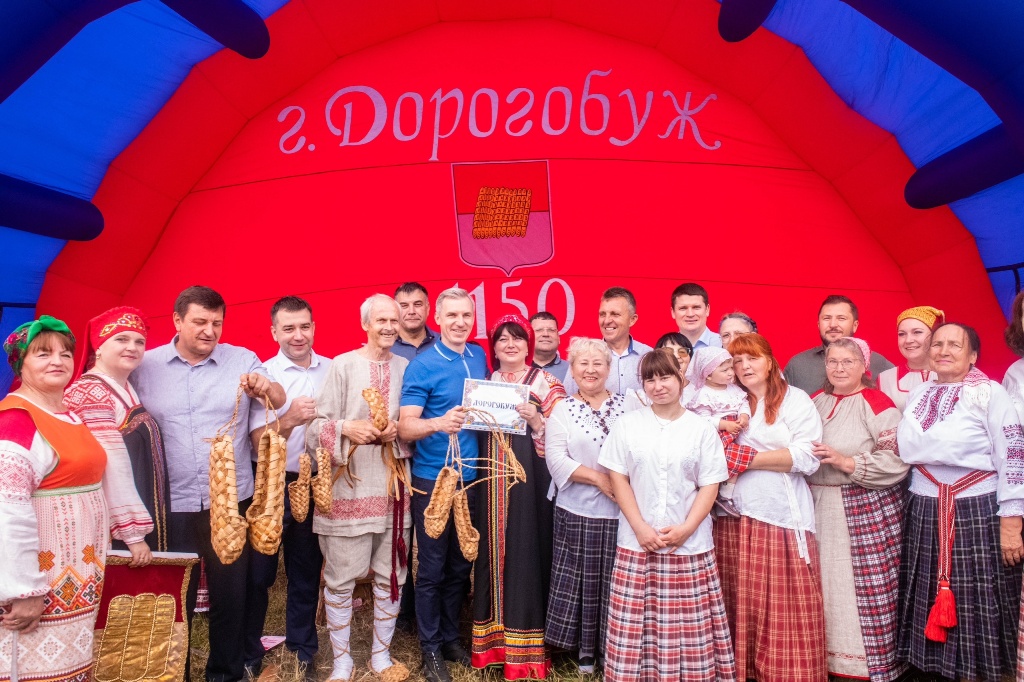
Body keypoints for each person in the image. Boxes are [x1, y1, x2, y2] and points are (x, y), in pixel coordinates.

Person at [132, 286, 285, 682]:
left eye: (217, 323)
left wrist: (265, 386)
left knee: (231, 595)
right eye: (200, 322)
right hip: (170, 502)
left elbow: (279, 397)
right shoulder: (145, 366)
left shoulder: (243, 360)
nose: (209, 331)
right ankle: (174, 674)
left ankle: (225, 674)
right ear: (177, 320)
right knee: (172, 600)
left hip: (230, 500)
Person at [0, 316, 150, 682]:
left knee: (70, 668)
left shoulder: (67, 414)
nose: (58, 361)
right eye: (43, 354)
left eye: (66, 354)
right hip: (41, 582)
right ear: (21, 363)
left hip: (77, 578)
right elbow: (8, 512)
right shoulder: (16, 421)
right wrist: (24, 590)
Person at [896, 322, 1024, 682]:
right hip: (924, 505)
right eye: (937, 344)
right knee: (926, 586)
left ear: (973, 355)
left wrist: (1011, 520)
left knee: (975, 593)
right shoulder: (920, 393)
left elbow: (1013, 454)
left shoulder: (990, 393)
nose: (943, 351)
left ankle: (977, 669)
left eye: (955, 345)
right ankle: (932, 667)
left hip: (975, 507)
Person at [598, 350, 734, 682]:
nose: (658, 386)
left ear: (681, 379)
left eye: (665, 377)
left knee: (689, 627)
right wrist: (640, 527)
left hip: (688, 544)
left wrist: (687, 528)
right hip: (638, 542)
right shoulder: (628, 425)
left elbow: (710, 484)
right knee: (635, 625)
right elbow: (618, 479)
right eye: (650, 379)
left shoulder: (701, 429)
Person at [307, 294, 412, 682]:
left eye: (394, 321)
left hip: (393, 489)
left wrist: (398, 430)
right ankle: (342, 661)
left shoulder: (406, 367)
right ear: (365, 324)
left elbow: (416, 422)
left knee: (391, 575)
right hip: (348, 490)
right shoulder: (343, 365)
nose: (389, 327)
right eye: (381, 320)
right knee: (340, 578)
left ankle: (380, 655)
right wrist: (346, 428)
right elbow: (314, 428)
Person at [713, 333, 827, 682]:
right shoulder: (727, 402)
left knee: (780, 603)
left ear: (769, 361)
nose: (745, 366)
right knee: (738, 598)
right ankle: (739, 671)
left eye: (753, 358)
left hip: (779, 514)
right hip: (730, 515)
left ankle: (784, 673)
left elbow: (807, 457)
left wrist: (744, 458)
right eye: (737, 361)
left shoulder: (794, 399)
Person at [398, 287, 489, 682]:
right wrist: (438, 422)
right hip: (433, 478)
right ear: (438, 318)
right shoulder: (422, 365)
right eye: (452, 315)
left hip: (471, 477)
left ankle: (451, 639)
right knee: (432, 566)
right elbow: (405, 426)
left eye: (466, 315)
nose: (459, 322)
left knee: (460, 564)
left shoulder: (478, 356)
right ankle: (430, 648)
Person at [471, 314, 566, 680]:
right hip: (491, 484)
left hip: (531, 485)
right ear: (493, 348)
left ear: (529, 344)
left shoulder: (547, 383)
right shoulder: (486, 383)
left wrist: (538, 421)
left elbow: (566, 438)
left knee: (527, 552)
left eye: (517, 338)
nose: (510, 345)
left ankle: (528, 650)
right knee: (491, 554)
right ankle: (492, 646)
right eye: (502, 339)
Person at [809, 337, 909, 681]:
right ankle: (827, 660)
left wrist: (846, 461)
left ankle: (865, 664)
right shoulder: (815, 401)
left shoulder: (878, 403)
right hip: (818, 504)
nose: (839, 368)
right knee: (824, 586)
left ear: (864, 366)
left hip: (862, 506)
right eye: (832, 362)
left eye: (847, 362)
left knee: (859, 589)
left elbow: (897, 459)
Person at [243, 297, 328, 680]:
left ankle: (302, 651)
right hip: (272, 481)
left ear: (314, 327)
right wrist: (290, 418)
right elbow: (256, 440)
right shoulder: (265, 376)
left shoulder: (332, 369)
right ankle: (249, 652)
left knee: (305, 570)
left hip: (316, 482)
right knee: (259, 574)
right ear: (274, 331)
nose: (298, 335)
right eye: (289, 328)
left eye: (304, 326)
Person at [543, 337, 627, 674]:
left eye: (598, 363)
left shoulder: (629, 406)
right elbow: (555, 459)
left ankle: (613, 649)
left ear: (608, 368)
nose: (590, 370)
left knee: (615, 582)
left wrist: (622, 485)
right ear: (573, 369)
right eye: (583, 363)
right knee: (583, 581)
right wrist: (599, 480)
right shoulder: (562, 409)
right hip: (577, 510)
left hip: (622, 511)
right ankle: (585, 651)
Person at [64, 306, 164, 561]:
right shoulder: (91, 393)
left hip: (138, 507)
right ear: (98, 347)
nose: (132, 347)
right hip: (113, 524)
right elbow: (112, 464)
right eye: (121, 339)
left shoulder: (125, 386)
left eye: (139, 342)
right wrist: (132, 534)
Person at [784, 295, 894, 394]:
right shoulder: (798, 365)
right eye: (826, 318)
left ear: (855, 325)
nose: (833, 324)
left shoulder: (879, 363)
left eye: (841, 318)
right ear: (818, 325)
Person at [686, 346, 751, 514]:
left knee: (740, 456)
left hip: (735, 430)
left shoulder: (734, 389)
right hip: (717, 434)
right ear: (708, 374)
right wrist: (724, 424)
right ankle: (716, 496)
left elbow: (743, 403)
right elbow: (702, 419)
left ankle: (724, 495)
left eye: (731, 368)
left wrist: (744, 415)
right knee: (727, 458)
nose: (731, 373)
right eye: (724, 370)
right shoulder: (704, 394)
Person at [562, 287, 651, 396]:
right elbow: (566, 398)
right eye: (602, 314)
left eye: (615, 314)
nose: (607, 320)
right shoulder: (583, 355)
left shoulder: (648, 356)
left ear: (632, 319)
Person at [877, 306, 943, 411]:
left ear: (935, 336)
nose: (908, 340)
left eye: (917, 332)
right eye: (902, 334)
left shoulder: (951, 375)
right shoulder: (885, 379)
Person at [624, 334, 694, 409]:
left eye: (682, 351)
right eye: (668, 351)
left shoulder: (699, 393)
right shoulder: (640, 398)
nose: (676, 356)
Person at [392, 282, 438, 362]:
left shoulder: (444, 343)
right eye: (404, 306)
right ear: (395, 311)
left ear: (427, 308)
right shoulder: (385, 347)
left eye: (417, 304)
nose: (411, 311)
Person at [670, 282, 722, 349]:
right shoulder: (665, 349)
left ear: (707, 310)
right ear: (673, 312)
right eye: (683, 308)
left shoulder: (723, 344)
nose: (690, 314)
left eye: (696, 307)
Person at [530, 311, 568, 382]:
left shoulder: (572, 371)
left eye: (551, 330)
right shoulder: (515, 369)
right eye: (539, 330)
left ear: (558, 338)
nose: (546, 334)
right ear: (528, 337)